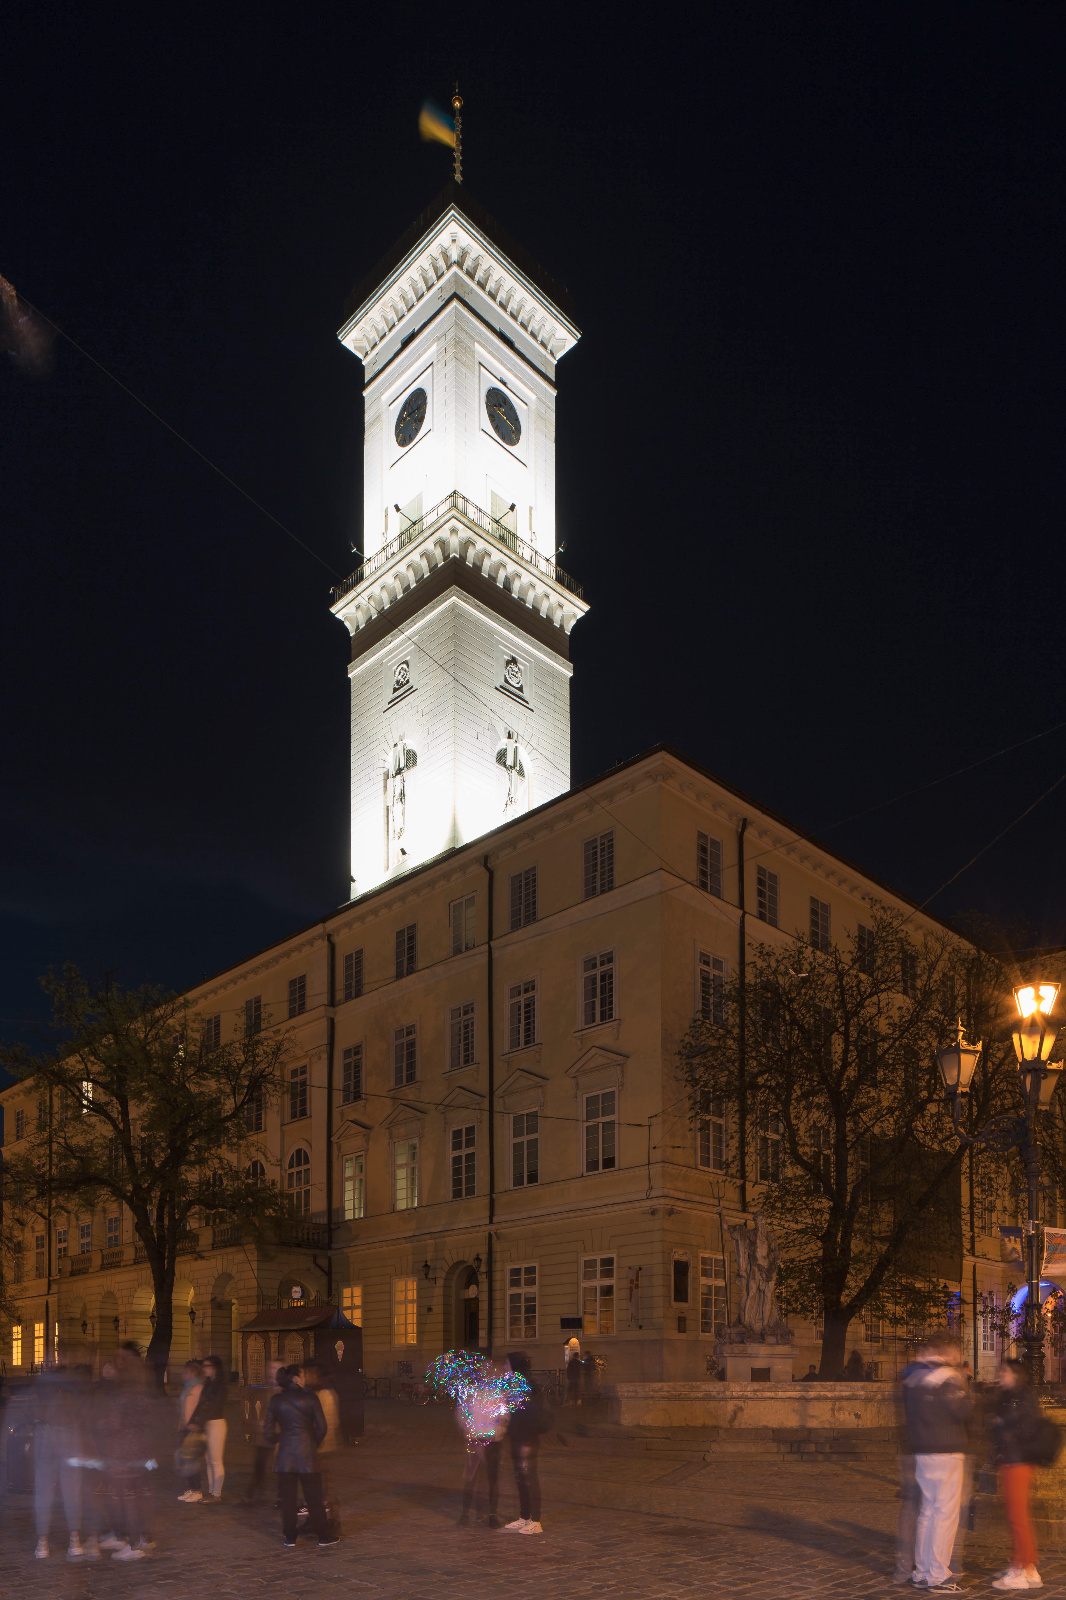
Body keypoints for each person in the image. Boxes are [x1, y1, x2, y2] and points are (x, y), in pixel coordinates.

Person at [901, 1331, 972, 1594]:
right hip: (947, 1449)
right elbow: (965, 1412)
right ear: (948, 1351)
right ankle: (938, 1575)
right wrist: (962, 1384)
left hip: (922, 1450)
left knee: (927, 1512)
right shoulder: (949, 1378)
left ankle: (922, 1571)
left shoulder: (913, 1379)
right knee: (945, 1515)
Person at [263, 1365, 337, 1548]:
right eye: (302, 1375)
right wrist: (313, 1443)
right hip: (307, 1454)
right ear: (296, 1378)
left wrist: (280, 1440)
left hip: (285, 1456)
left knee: (288, 1499)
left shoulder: (276, 1400)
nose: (304, 1378)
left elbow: (267, 1431)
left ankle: (290, 1537)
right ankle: (322, 1535)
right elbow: (322, 1427)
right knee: (314, 1497)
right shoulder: (310, 1397)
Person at [988, 1358, 1044, 1590]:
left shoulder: (1019, 1399)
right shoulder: (1017, 1397)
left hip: (1017, 1461)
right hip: (1016, 1460)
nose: (1000, 1375)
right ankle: (1030, 1568)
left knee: (1016, 1517)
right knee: (1021, 1516)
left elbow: (1023, 1428)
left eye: (1005, 1372)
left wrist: (999, 1422)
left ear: (1016, 1375)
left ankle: (1018, 1570)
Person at [32, 1365, 86, 1561]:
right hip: (59, 1448)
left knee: (49, 1495)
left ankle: (46, 1541)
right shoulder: (66, 1397)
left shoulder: (49, 1397)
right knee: (67, 1494)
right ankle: (70, 1539)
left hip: (58, 1447)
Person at [503, 1352, 550, 1536]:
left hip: (527, 1439)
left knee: (528, 1478)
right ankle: (524, 1517)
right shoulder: (513, 1385)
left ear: (514, 1366)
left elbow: (528, 1413)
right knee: (520, 1477)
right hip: (517, 1437)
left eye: (507, 1364)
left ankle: (536, 1521)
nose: (505, 1367)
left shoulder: (526, 1386)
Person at [243, 1359, 284, 1503]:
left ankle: (281, 1497)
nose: (273, 1371)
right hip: (264, 1434)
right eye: (271, 1367)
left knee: (281, 1467)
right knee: (259, 1464)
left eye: (277, 1368)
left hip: (280, 1434)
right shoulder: (265, 1390)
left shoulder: (284, 1390)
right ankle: (254, 1493)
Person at [191, 1354, 227, 1501]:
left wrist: (199, 1422)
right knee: (208, 1459)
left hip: (216, 1423)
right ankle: (211, 1492)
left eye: (207, 1366)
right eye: (203, 1366)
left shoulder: (221, 1386)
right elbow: (201, 1404)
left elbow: (215, 1407)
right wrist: (193, 1420)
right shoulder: (208, 1384)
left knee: (216, 1460)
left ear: (215, 1368)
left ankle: (216, 1493)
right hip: (207, 1424)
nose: (204, 1369)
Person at [175, 1359, 205, 1504]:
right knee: (186, 1459)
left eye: (186, 1372)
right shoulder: (188, 1388)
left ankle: (197, 1490)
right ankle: (192, 1489)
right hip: (185, 1428)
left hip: (192, 1429)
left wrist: (195, 1425)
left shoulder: (198, 1388)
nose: (183, 1375)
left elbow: (199, 1409)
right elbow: (184, 1408)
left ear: (193, 1373)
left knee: (192, 1460)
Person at [564, 1339, 582, 1406]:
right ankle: (578, 1401)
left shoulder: (571, 1362)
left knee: (572, 1389)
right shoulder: (578, 1362)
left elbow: (568, 1370)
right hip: (577, 1377)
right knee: (577, 1389)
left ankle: (572, 1401)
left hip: (572, 1377)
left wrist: (568, 1377)